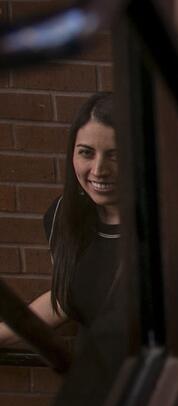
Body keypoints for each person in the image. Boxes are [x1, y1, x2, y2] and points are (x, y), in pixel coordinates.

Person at [0, 92, 121, 349]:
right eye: (86, 153)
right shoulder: (62, 215)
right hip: (93, 381)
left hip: (160, 382)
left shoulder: (172, 223)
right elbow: (69, 299)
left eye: (115, 155)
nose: (99, 169)